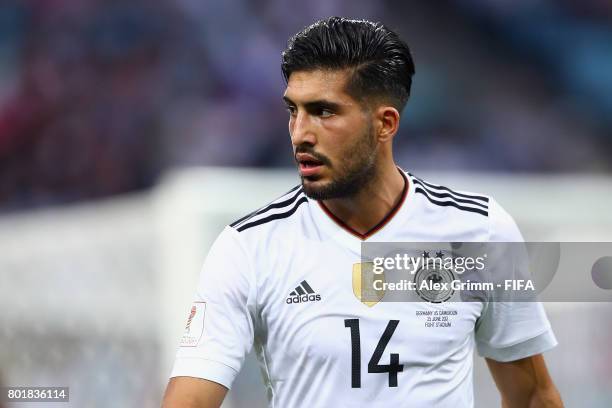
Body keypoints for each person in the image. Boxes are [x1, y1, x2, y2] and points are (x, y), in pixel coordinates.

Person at [162, 17, 563, 408]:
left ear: (385, 123)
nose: (300, 133)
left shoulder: (480, 232)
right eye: (293, 111)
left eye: (323, 111)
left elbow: (531, 396)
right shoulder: (248, 248)